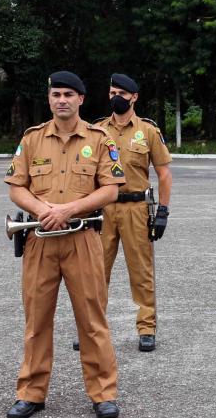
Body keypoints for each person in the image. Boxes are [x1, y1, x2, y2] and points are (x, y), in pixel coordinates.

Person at [3, 71, 125, 418]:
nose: (62, 100)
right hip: (40, 243)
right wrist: (43, 210)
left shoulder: (100, 140)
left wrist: (69, 209)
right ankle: (31, 392)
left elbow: (110, 189)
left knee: (92, 319)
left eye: (69, 94)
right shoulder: (32, 139)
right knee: (37, 320)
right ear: (50, 99)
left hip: (83, 238)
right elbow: (16, 186)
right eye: (56, 94)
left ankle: (103, 393)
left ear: (81, 100)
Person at [73, 73, 172, 352]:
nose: (115, 97)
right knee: (94, 272)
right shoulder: (98, 131)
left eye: (121, 93)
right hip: (102, 210)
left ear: (134, 97)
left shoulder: (148, 131)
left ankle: (146, 328)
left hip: (136, 209)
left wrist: (163, 211)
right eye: (112, 91)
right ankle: (89, 329)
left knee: (141, 272)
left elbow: (164, 174)